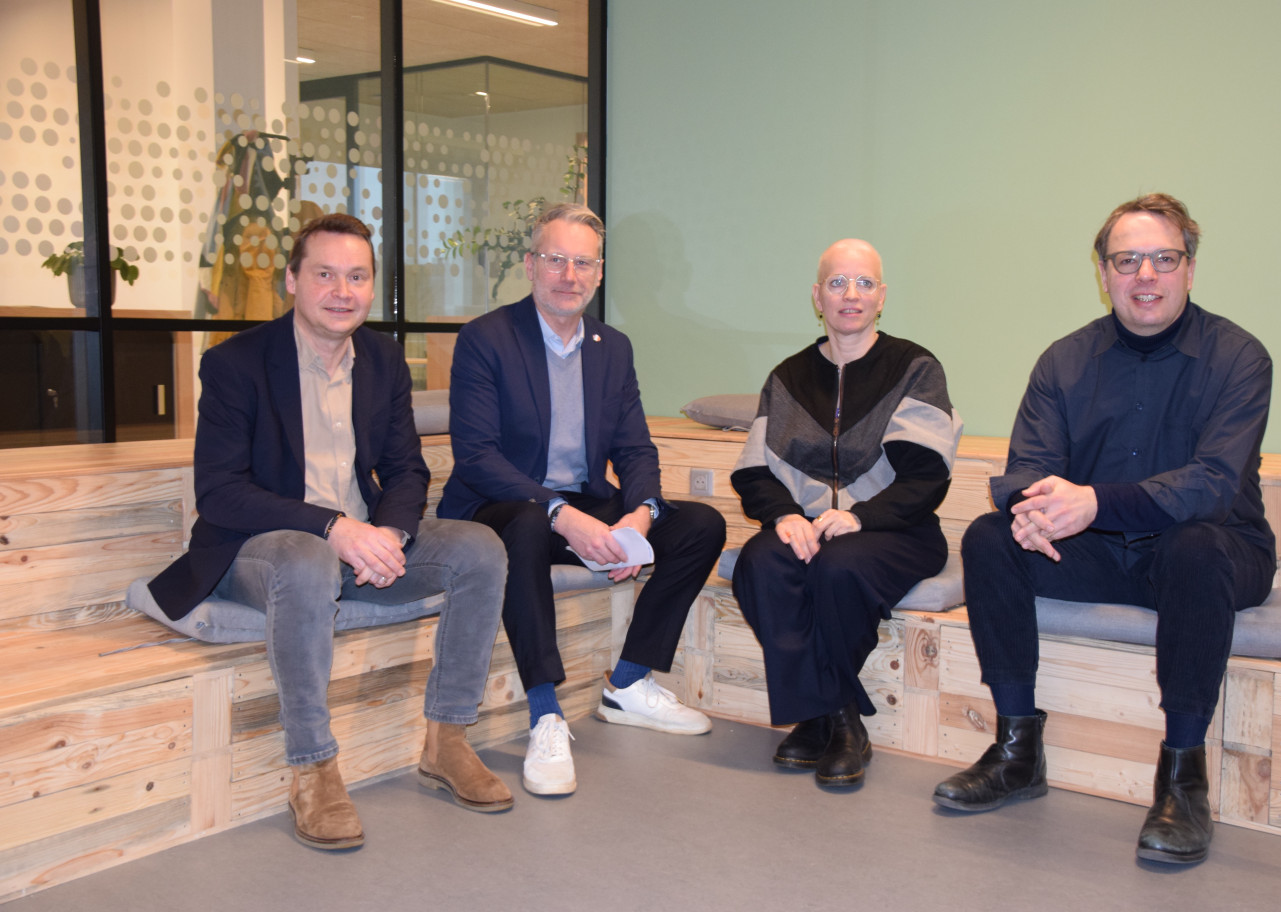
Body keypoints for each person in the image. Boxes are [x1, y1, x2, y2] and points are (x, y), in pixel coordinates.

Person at [145, 214, 512, 851]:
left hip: (357, 541)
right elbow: (222, 492)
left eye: (357, 276)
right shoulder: (236, 364)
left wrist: (391, 536)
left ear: (372, 288)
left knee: (480, 548)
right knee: (308, 559)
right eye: (324, 274)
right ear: (291, 280)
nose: (341, 290)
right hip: (259, 551)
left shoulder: (382, 359)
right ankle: (313, 770)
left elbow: (404, 468)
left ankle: (447, 739)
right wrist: (334, 527)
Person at [932, 193, 1275, 865]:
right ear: (1103, 272)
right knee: (987, 537)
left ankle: (1183, 779)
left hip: (1215, 550)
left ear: (1189, 269)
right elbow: (1028, 466)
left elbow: (1212, 485)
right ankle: (1016, 750)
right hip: (1098, 553)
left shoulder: (1240, 357)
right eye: (1127, 260)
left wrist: (1092, 503)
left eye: (1163, 258)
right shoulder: (1064, 361)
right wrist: (1034, 511)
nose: (1145, 275)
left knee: (1193, 545)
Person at [437, 203, 727, 797]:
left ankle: (628, 683)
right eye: (556, 260)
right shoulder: (486, 339)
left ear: (598, 274)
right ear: (530, 265)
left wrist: (640, 515)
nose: (569, 275)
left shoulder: (611, 347)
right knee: (523, 523)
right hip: (502, 508)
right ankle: (545, 713)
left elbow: (637, 448)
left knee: (700, 524)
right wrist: (560, 515)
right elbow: (477, 457)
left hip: (581, 505)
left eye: (583, 263)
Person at [729, 239, 962, 787]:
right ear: (817, 296)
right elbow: (752, 471)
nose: (850, 294)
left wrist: (859, 516)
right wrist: (784, 515)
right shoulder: (787, 377)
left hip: (897, 529)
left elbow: (927, 475)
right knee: (759, 562)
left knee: (838, 567)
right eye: (837, 283)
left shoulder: (914, 368)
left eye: (863, 283)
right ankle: (837, 718)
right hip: (808, 526)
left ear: (882, 297)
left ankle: (820, 716)